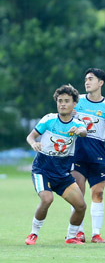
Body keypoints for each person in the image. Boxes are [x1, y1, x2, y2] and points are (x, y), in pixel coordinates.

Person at [25, 84, 88, 245]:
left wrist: (79, 131)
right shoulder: (49, 119)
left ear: (74, 104)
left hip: (63, 174)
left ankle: (71, 236)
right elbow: (31, 137)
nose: (62, 104)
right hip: (42, 170)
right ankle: (33, 234)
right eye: (60, 101)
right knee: (47, 199)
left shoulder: (78, 123)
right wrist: (34, 144)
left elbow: (84, 131)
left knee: (81, 206)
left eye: (67, 101)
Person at [71, 68, 105, 243]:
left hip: (97, 153)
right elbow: (65, 118)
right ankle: (78, 232)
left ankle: (96, 234)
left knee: (98, 193)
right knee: (78, 193)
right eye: (85, 79)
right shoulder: (76, 102)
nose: (87, 82)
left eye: (91, 79)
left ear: (101, 83)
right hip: (77, 152)